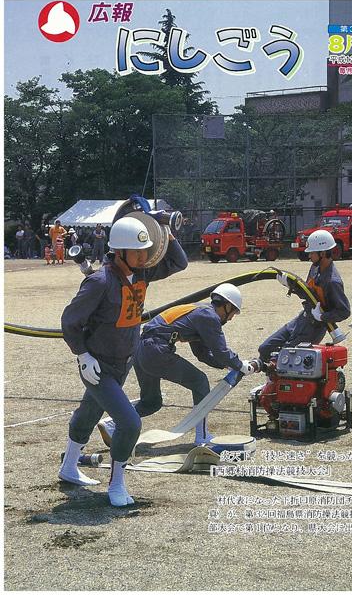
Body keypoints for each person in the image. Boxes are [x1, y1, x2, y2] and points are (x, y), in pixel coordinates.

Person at [59, 216, 188, 507]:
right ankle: (116, 485)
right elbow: (69, 321)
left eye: (146, 251)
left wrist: (164, 229)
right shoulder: (99, 282)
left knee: (89, 414)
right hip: (97, 366)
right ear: (119, 252)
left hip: (123, 361)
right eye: (138, 252)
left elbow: (179, 262)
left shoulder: (141, 274)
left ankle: (68, 467)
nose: (145, 257)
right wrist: (82, 354)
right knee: (129, 423)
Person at [98, 283, 257, 447]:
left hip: (141, 350)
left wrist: (228, 365)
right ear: (227, 305)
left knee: (151, 402)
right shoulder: (209, 317)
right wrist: (240, 365)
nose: (231, 318)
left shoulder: (199, 311)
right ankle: (202, 436)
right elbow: (221, 351)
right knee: (200, 381)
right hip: (156, 351)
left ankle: (111, 423)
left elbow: (202, 354)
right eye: (233, 312)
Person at [258, 229, 351, 362]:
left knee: (283, 359)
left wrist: (322, 316)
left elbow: (344, 311)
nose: (309, 256)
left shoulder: (332, 281)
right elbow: (308, 293)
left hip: (313, 328)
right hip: (301, 320)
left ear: (323, 253)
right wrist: (290, 284)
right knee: (265, 349)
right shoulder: (315, 268)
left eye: (312, 253)